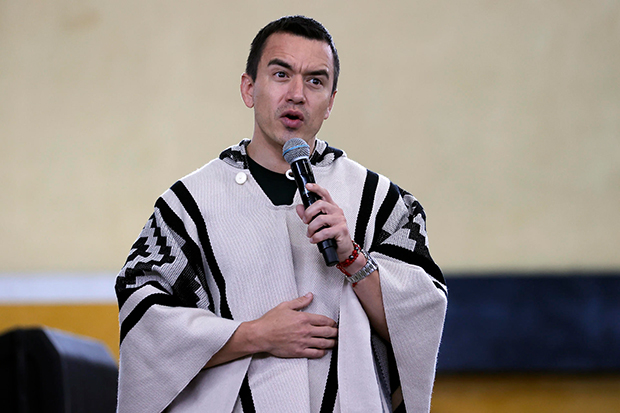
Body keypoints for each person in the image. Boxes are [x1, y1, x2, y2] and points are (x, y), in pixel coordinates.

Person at [115, 15, 447, 413]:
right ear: (249, 88)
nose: (297, 94)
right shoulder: (189, 206)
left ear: (330, 102)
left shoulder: (380, 202)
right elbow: (146, 325)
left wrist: (353, 258)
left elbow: (419, 322)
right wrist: (256, 335)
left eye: (315, 81)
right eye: (281, 75)